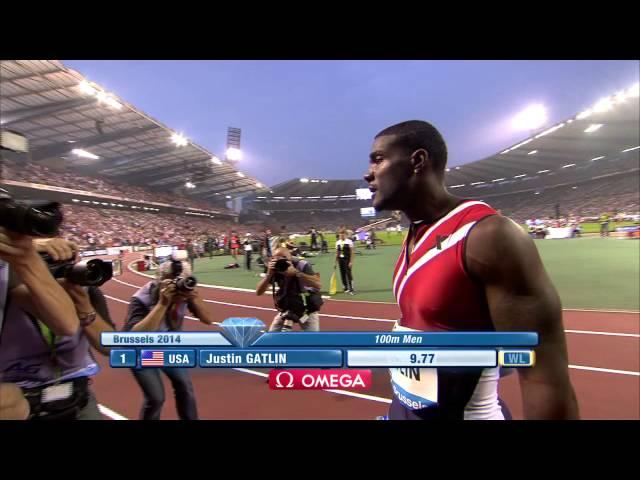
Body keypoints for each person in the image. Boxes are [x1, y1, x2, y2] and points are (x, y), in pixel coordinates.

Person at [363, 120, 578, 420]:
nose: (367, 173)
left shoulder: (489, 237)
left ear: (417, 161)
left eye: (378, 159)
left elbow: (543, 378)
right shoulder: (415, 236)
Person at [0, 237, 115, 420]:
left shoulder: (85, 290)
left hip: (78, 400)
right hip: (20, 404)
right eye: (46, 260)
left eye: (65, 261)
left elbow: (111, 347)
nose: (58, 268)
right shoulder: (5, 288)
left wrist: (85, 309)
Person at [124, 258, 215, 420]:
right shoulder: (141, 298)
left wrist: (194, 298)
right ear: (159, 280)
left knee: (185, 387)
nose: (178, 285)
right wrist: (162, 304)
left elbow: (208, 319)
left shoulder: (185, 292)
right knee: (156, 398)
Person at [256, 247, 322, 332]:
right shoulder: (275, 268)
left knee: (313, 340)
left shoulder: (301, 265)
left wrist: (296, 273)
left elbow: (318, 285)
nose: (281, 260)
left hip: (306, 309)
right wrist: (269, 274)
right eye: (276, 258)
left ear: (290, 257)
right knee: (273, 334)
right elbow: (259, 292)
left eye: (284, 257)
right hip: (288, 308)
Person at [335, 229, 355, 295]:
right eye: (340, 234)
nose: (341, 235)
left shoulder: (349, 242)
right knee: (342, 274)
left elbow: (352, 252)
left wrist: (351, 262)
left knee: (348, 274)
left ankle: (351, 288)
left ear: (346, 235)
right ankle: (345, 287)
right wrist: (335, 262)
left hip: (347, 260)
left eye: (343, 234)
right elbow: (337, 253)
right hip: (340, 260)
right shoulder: (337, 242)